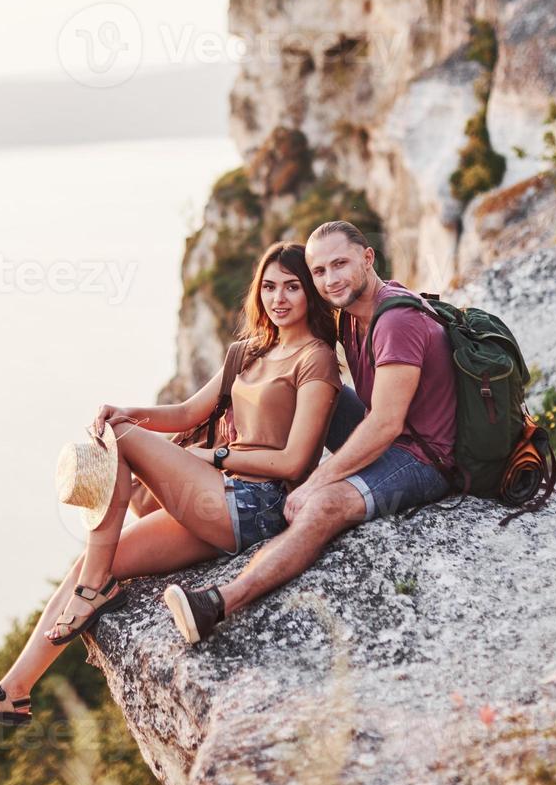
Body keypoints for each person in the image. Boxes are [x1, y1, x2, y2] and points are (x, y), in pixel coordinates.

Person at [0, 241, 343, 724]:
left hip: (255, 506)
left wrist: (210, 454)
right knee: (95, 556)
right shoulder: (247, 352)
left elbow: (295, 461)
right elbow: (187, 411)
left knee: (122, 445)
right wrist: (130, 410)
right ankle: (13, 692)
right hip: (213, 502)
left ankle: (96, 589)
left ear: (310, 295)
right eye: (270, 286)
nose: (279, 298)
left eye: (293, 287)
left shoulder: (316, 359)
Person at [161, 220, 458, 643]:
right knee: (315, 388)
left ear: (367, 258)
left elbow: (386, 424)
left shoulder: (394, 321)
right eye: (319, 272)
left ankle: (216, 603)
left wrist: (316, 482)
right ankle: (269, 483)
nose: (330, 279)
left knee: (322, 507)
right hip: (395, 432)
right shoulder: (352, 316)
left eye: (340, 264)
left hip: (424, 455)